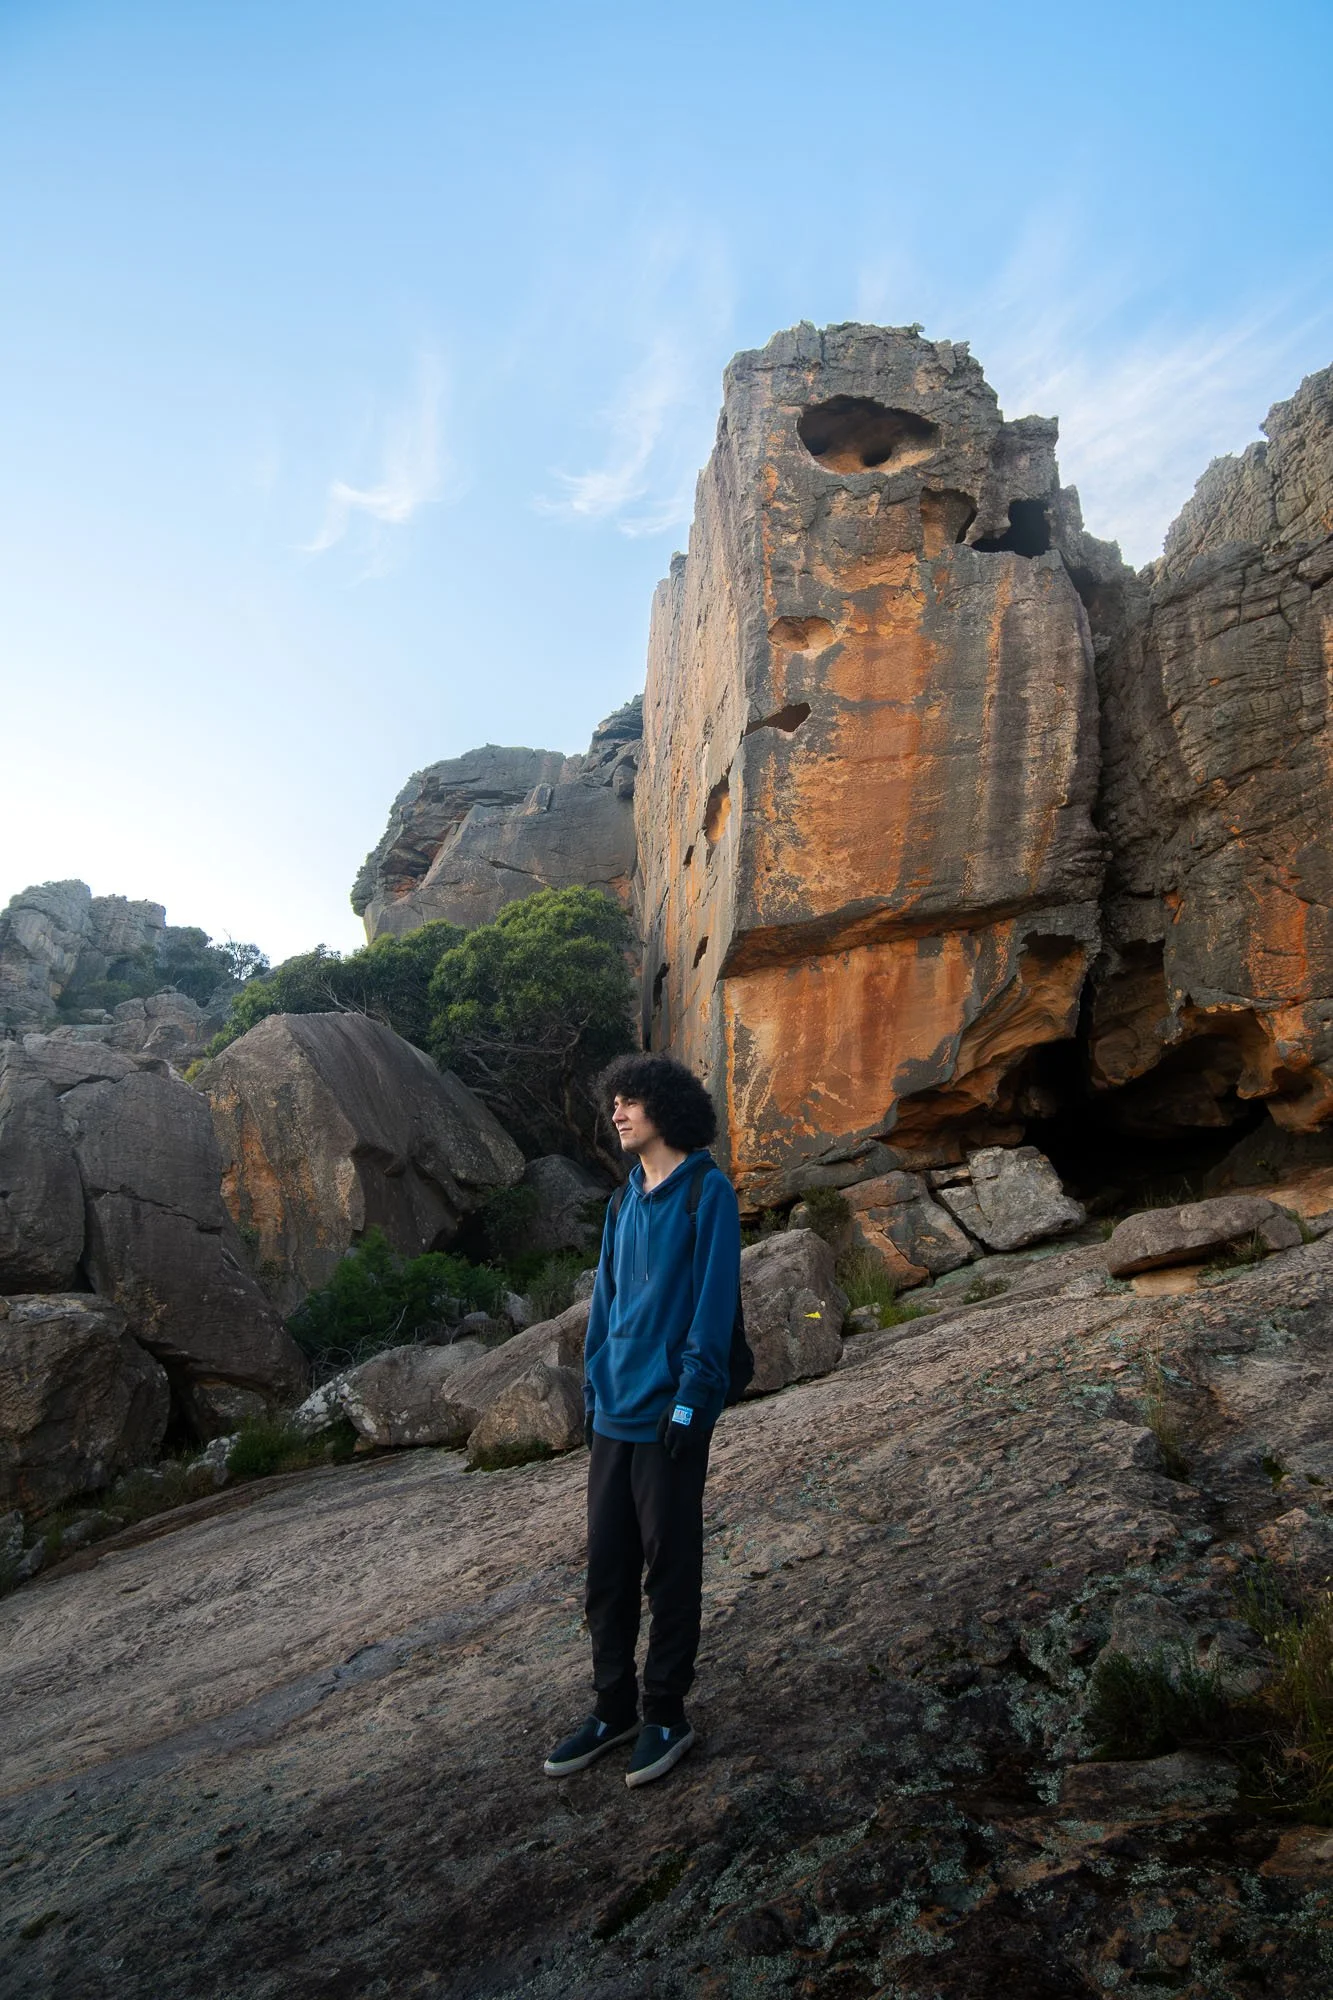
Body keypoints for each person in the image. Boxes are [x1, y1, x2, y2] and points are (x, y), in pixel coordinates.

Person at [542, 1052, 741, 1790]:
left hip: (670, 1413)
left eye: (630, 1101)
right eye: (613, 1102)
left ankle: (666, 1712)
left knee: (671, 1566)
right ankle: (612, 1709)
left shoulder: (706, 1193)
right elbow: (606, 1310)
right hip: (614, 1413)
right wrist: (594, 1392)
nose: (618, 1113)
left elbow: (713, 1307)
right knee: (608, 1572)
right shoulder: (622, 1200)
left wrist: (692, 1399)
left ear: (665, 1107)